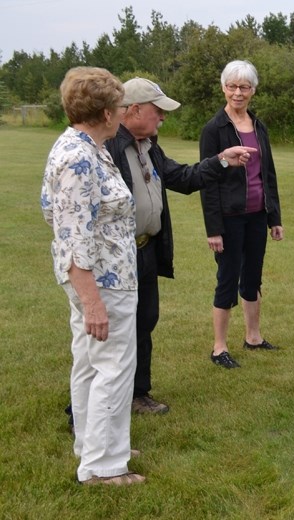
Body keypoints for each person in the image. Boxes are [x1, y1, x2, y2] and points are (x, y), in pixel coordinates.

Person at [105, 77, 257, 411]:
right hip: (116, 256)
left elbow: (183, 178)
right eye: (157, 111)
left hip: (145, 250)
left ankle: (137, 394)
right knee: (111, 333)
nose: (163, 118)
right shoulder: (107, 147)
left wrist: (221, 160)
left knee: (145, 321)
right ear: (133, 110)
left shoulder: (148, 145)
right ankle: (87, 409)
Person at [41, 66, 143, 485]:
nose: (122, 113)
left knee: (88, 362)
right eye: (119, 107)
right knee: (112, 366)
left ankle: (95, 443)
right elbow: (72, 237)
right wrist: (93, 302)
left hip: (104, 276)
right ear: (104, 113)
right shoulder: (78, 158)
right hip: (101, 281)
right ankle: (102, 467)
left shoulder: (90, 148)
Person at [199, 60, 284, 369]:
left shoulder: (259, 126)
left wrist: (274, 218)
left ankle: (253, 337)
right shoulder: (214, 129)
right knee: (227, 278)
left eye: (244, 87)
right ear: (224, 88)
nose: (238, 92)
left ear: (253, 90)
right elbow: (207, 182)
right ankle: (219, 347)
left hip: (256, 216)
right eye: (232, 86)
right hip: (229, 218)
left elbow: (268, 174)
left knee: (252, 278)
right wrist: (214, 229)